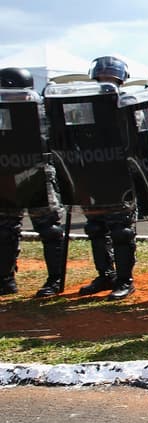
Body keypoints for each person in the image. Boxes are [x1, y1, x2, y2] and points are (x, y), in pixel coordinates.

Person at [0, 67, 66, 298]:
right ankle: (6, 280)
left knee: (49, 228)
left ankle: (55, 280)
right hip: (7, 170)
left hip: (34, 172)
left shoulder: (38, 108)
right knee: (6, 228)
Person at [78, 55, 138, 301]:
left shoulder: (127, 101)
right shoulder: (84, 102)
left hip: (120, 174)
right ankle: (105, 274)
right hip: (93, 172)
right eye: (102, 76)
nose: (106, 80)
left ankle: (125, 280)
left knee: (121, 230)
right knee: (95, 228)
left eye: (110, 77)